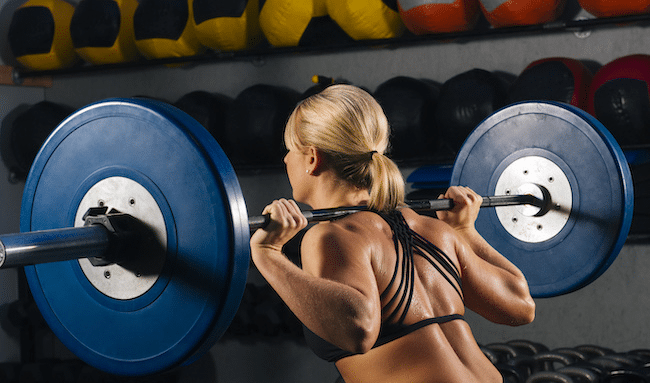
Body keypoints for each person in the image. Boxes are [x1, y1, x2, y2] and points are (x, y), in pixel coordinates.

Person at [249, 84, 536, 383]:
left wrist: (268, 255)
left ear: (311, 158)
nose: (285, 160)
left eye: (290, 150)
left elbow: (358, 331)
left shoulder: (332, 236)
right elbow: (520, 303)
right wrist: (464, 230)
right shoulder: (434, 230)